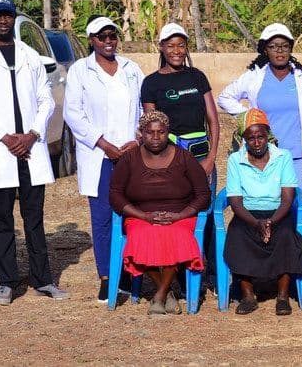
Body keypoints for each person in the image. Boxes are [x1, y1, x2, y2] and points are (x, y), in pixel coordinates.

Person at [0, 0, 69, 305]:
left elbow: (46, 99)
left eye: (8, 15)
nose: (3, 21)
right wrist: (6, 137)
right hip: (1, 151)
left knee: (34, 219)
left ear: (13, 17)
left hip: (31, 150)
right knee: (2, 219)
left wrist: (33, 133)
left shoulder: (30, 55)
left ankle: (43, 280)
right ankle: (7, 281)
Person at [217, 23, 302, 286]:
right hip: (264, 158)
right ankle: (269, 270)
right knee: (267, 211)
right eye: (274, 46)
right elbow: (225, 97)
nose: (280, 52)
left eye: (285, 46)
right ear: (265, 49)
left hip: (298, 156)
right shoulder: (254, 76)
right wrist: (247, 118)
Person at [63, 16, 144, 302]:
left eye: (112, 36)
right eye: (102, 37)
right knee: (102, 219)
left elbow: (143, 109)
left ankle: (131, 273)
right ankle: (106, 276)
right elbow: (73, 114)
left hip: (131, 154)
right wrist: (103, 143)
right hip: (99, 154)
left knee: (131, 215)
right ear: (91, 40)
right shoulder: (79, 72)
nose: (108, 41)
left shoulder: (132, 69)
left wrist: (138, 139)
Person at [141, 22, 220, 285]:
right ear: (161, 47)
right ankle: (179, 277)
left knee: (204, 214)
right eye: (171, 45)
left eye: (181, 45)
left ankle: (208, 276)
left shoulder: (197, 77)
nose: (176, 50)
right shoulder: (151, 83)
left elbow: (213, 119)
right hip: (171, 161)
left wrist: (211, 159)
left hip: (201, 157)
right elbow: (151, 125)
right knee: (178, 215)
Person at [109, 110, 210, 315]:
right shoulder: (129, 159)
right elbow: (115, 195)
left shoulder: (184, 157)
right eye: (150, 132)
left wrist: (180, 215)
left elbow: (203, 194)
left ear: (168, 133)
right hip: (141, 216)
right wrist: (143, 216)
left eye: (161, 132)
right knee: (140, 237)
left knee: (178, 235)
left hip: (179, 215)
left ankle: (160, 295)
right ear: (141, 134)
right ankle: (167, 292)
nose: (156, 137)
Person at [224, 109, 302, 316]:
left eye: (260, 136)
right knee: (237, 235)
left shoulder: (283, 157)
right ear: (243, 139)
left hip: (278, 211)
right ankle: (248, 296)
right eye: (251, 138)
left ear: (268, 135)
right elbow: (235, 202)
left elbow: (288, 197)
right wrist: (256, 223)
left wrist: (270, 222)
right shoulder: (235, 160)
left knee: (285, 236)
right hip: (247, 213)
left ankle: (282, 296)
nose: (256, 142)